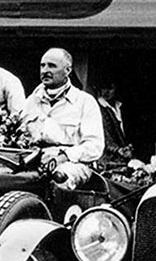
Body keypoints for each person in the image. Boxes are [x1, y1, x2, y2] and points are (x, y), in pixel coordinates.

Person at [20, 48, 105, 189]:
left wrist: (63, 157)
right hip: (34, 160)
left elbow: (94, 146)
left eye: (52, 66)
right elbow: (20, 134)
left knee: (58, 179)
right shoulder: (31, 101)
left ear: (67, 70)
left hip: (72, 164)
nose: (45, 70)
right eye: (43, 65)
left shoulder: (84, 102)